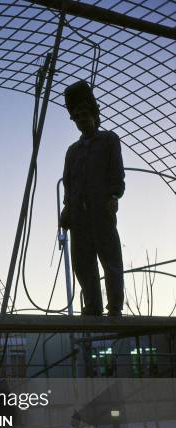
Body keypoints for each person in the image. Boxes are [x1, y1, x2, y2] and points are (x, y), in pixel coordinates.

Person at [60, 80, 125, 316]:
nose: (80, 120)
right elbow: (68, 182)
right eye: (76, 117)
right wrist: (67, 208)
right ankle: (93, 305)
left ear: (94, 115)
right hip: (79, 214)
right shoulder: (72, 151)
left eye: (84, 115)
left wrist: (114, 195)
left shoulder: (109, 140)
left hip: (101, 209)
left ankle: (115, 305)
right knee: (82, 262)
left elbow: (116, 173)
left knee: (110, 258)